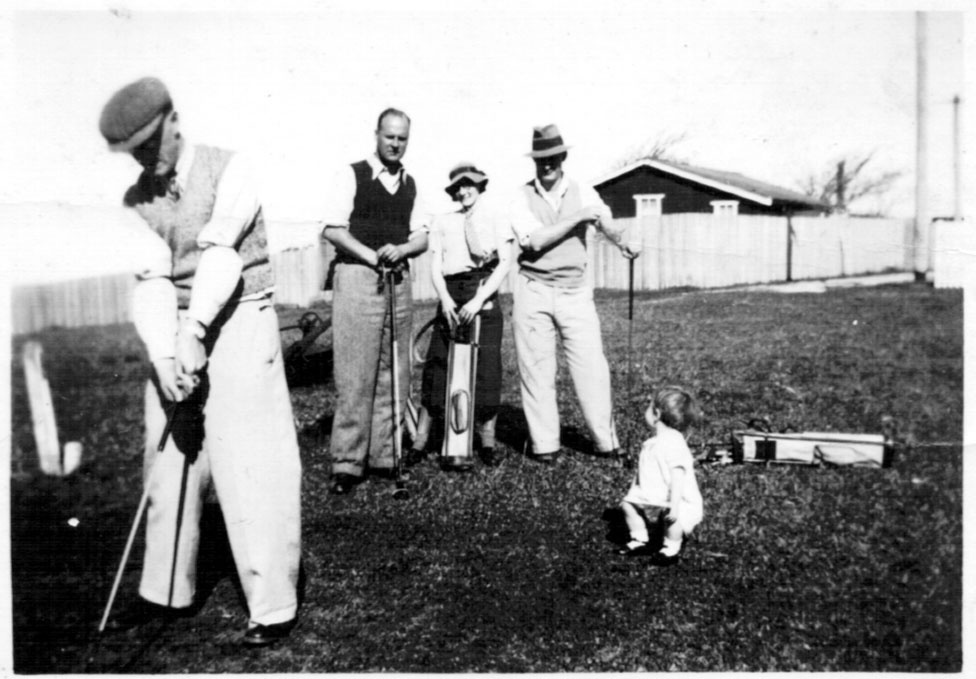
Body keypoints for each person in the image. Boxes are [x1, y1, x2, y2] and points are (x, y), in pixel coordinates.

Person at [99, 77, 302, 646]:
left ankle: (273, 605)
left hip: (239, 314)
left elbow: (221, 256)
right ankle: (167, 592)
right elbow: (152, 279)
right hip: (178, 324)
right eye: (132, 153)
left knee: (249, 460)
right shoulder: (136, 201)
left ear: (173, 122)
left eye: (148, 144)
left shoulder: (232, 168)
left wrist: (194, 331)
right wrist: (166, 356)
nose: (143, 161)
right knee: (168, 459)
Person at [509, 124, 638, 464]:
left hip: (574, 292)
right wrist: (579, 217)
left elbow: (605, 221)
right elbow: (534, 240)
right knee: (537, 370)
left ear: (563, 157)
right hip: (533, 290)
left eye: (552, 158)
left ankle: (606, 441)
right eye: (540, 159)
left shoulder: (586, 192)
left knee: (592, 368)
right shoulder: (520, 196)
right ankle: (544, 445)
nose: (546, 165)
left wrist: (624, 241)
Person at [321, 108, 429, 495]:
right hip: (358, 276)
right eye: (389, 137)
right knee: (356, 371)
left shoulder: (412, 183)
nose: (395, 144)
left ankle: (386, 455)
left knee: (394, 367)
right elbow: (333, 230)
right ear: (377, 135)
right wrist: (372, 256)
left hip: (398, 278)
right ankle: (348, 463)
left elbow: (422, 237)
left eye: (402, 138)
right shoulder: (352, 175)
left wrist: (401, 250)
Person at [420, 163, 514, 468]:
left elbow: (504, 263)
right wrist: (445, 300)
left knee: (487, 366)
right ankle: (422, 439)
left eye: (469, 184)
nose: (463, 191)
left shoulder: (497, 217)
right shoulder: (442, 222)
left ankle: (486, 439)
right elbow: (435, 265)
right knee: (438, 363)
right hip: (450, 292)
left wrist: (479, 300)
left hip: (482, 290)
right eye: (457, 187)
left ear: (480, 185)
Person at [616, 386, 703, 565]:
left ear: (656, 413)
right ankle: (640, 539)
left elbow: (678, 474)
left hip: (678, 498)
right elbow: (643, 472)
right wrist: (633, 492)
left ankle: (671, 548)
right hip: (655, 493)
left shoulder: (672, 442)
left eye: (648, 407)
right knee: (628, 505)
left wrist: (675, 505)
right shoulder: (653, 442)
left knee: (672, 519)